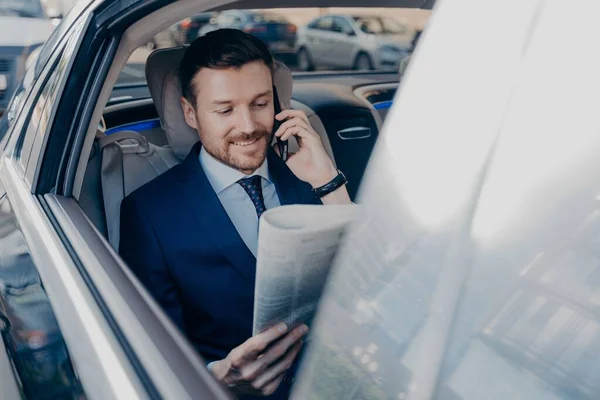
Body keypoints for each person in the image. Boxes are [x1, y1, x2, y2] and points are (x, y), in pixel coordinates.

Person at [118, 29, 351, 399]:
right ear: (190, 113)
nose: (247, 126)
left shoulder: (311, 175)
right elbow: (152, 349)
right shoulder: (148, 214)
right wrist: (218, 378)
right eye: (225, 110)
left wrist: (328, 183)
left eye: (260, 104)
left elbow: (368, 287)